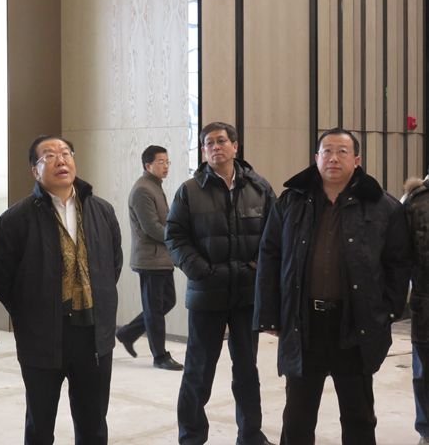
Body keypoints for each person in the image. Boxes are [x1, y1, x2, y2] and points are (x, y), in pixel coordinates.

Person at [254, 127, 412, 445]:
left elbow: (398, 263)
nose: (334, 158)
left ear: (357, 160)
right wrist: (269, 314)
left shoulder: (383, 206)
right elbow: (269, 257)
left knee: (358, 416)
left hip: (355, 325)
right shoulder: (291, 201)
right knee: (297, 417)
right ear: (316, 158)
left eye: (342, 151)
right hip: (304, 324)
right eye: (327, 151)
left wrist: (388, 312)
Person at [0, 135, 122, 445]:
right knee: (40, 424)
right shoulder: (15, 219)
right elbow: (1, 279)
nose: (61, 160)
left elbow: (112, 265)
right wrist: (31, 314)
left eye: (66, 153)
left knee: (93, 424)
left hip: (93, 334)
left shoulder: (102, 210)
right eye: (49, 156)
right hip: (42, 336)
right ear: (34, 171)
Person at [166, 122, 276, 445]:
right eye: (209, 143)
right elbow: (174, 236)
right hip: (206, 293)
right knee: (198, 371)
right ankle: (191, 437)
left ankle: (251, 435)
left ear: (235, 146)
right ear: (203, 152)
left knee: (247, 371)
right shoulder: (189, 190)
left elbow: (274, 235)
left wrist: (257, 268)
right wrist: (200, 270)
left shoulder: (259, 187)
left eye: (221, 141)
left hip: (247, 295)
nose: (215, 147)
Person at [116, 145, 183, 370]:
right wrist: (177, 239)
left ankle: (127, 332)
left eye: (167, 161)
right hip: (150, 259)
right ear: (148, 165)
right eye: (161, 162)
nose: (166, 166)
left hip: (161, 258)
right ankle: (160, 356)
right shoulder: (143, 190)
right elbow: (152, 228)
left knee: (167, 301)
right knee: (155, 309)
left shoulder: (154, 185)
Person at [403, 170, 429, 445]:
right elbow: (399, 256)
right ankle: (426, 430)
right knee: (424, 373)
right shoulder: (414, 200)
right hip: (425, 302)